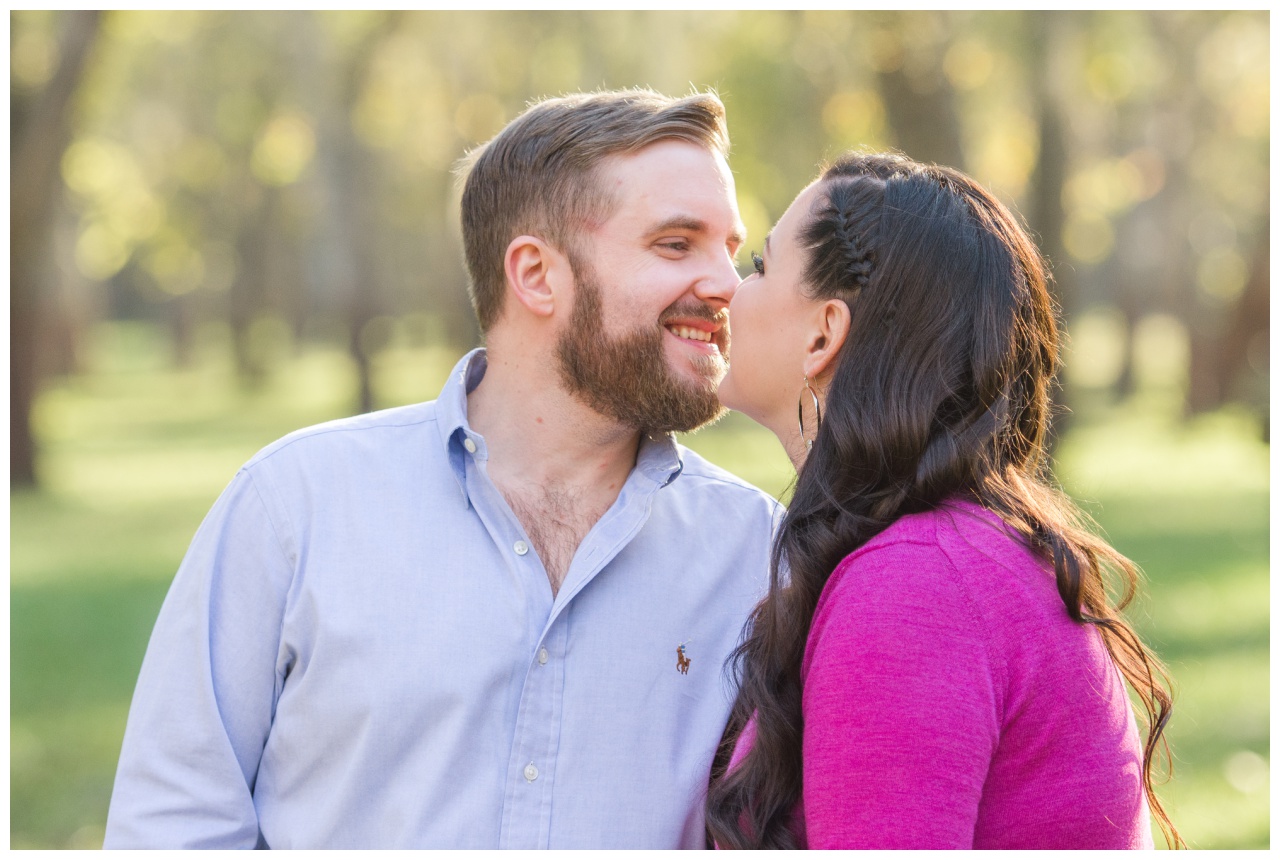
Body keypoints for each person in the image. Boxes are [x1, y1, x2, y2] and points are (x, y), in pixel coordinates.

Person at [104, 88, 780, 849]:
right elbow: (175, 823)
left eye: (731, 247)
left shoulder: (759, 554)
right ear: (535, 274)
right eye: (676, 244)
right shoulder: (295, 508)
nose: (727, 283)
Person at [704, 152, 1181, 849]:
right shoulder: (947, 555)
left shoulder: (914, 590)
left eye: (758, 265)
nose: (724, 288)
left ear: (823, 334)